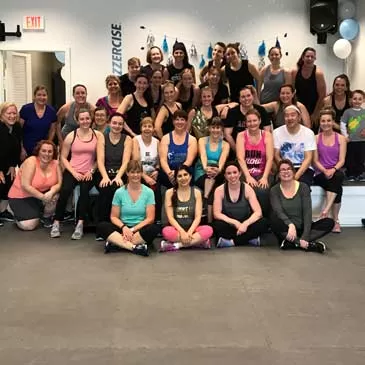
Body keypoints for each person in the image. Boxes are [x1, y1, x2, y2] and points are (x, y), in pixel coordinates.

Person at [50, 109, 103, 240]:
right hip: (73, 170)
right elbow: (63, 157)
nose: (85, 121)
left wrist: (91, 170)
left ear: (91, 119)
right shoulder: (71, 136)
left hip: (89, 172)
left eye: (87, 118)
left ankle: (80, 224)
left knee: (85, 191)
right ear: (77, 120)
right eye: (82, 119)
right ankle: (56, 222)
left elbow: (100, 158)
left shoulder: (98, 135)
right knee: (65, 190)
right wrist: (73, 172)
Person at [96, 160, 160, 257]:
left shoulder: (149, 192)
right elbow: (113, 217)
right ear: (127, 173)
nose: (135, 175)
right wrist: (124, 228)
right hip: (123, 227)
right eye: (132, 172)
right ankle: (135, 247)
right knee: (102, 226)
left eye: (138, 172)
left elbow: (150, 219)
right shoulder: (119, 192)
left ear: (141, 173)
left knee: (154, 228)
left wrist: (132, 230)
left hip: (139, 228)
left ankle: (118, 243)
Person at [270, 159, 334, 253]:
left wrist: (304, 236)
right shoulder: (274, 190)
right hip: (287, 229)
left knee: (329, 222)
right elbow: (278, 211)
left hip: (302, 227)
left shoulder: (303, 187)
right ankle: (306, 245)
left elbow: (307, 213)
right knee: (273, 218)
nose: (286, 172)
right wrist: (290, 225)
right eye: (282, 170)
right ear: (278, 174)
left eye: (288, 169)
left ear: (293, 171)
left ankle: (292, 243)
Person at [8, 140, 62, 230]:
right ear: (38, 151)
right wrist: (43, 197)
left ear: (53, 153)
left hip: (40, 196)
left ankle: (45, 217)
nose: (47, 154)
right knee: (29, 226)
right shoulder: (31, 161)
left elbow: (59, 183)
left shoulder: (56, 163)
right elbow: (25, 186)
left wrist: (52, 191)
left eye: (50, 151)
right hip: (21, 196)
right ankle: (13, 211)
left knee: (55, 195)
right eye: (43, 151)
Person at [212, 161, 268, 248]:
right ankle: (249, 239)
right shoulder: (219, 190)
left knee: (264, 222)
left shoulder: (248, 189)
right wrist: (234, 222)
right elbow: (216, 214)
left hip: (246, 223)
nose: (232, 176)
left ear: (240, 173)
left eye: (235, 172)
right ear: (225, 176)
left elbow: (258, 212)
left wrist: (245, 224)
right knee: (217, 225)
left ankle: (232, 242)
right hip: (230, 224)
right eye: (229, 173)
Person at [160, 165, 213, 252]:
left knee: (208, 230)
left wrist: (189, 233)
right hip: (176, 229)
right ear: (176, 178)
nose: (183, 178)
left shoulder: (196, 192)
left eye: (185, 174)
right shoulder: (169, 193)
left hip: (193, 229)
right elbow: (170, 218)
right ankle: (198, 243)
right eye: (179, 176)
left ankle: (176, 245)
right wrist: (182, 232)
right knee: (166, 231)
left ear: (190, 176)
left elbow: (197, 217)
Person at [313, 108, 347, 233]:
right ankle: (335, 220)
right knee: (337, 185)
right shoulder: (316, 138)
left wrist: (332, 169)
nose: (326, 123)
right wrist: (325, 170)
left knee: (337, 177)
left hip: (335, 170)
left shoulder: (341, 139)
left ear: (333, 122)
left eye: (328, 120)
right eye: (323, 121)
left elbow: (342, 160)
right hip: (320, 173)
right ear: (320, 122)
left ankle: (326, 211)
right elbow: (314, 161)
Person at [236, 109, 274, 216]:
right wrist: (248, 176)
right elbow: (240, 158)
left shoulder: (267, 135)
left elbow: (270, 158)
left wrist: (265, 177)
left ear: (260, 121)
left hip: (263, 172)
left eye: (254, 120)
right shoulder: (241, 135)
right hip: (246, 172)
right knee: (248, 188)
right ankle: (249, 218)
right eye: (249, 121)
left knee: (262, 191)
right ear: (245, 123)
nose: (252, 124)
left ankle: (264, 218)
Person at [96, 113, 132, 223]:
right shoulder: (102, 138)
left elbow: (126, 161)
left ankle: (119, 223)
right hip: (103, 174)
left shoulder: (127, 139)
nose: (117, 126)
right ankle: (104, 225)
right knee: (106, 189)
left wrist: (118, 177)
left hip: (121, 174)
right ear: (109, 124)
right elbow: (100, 161)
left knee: (117, 189)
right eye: (114, 123)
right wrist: (105, 177)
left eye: (120, 124)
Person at [194, 117, 229, 222]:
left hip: (217, 173)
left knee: (214, 178)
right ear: (209, 128)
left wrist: (218, 170)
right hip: (202, 172)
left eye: (218, 127)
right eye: (213, 127)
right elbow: (203, 155)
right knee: (210, 179)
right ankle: (210, 220)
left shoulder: (225, 144)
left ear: (221, 129)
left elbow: (222, 161)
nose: (215, 130)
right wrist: (206, 167)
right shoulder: (202, 140)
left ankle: (205, 199)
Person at [273, 105, 316, 186]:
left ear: (299, 117)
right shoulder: (277, 132)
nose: (290, 118)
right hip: (284, 168)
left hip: (303, 168)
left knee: (303, 186)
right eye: (287, 116)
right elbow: (276, 155)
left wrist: (295, 176)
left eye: (293, 115)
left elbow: (308, 158)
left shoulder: (308, 133)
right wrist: (286, 170)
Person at [223, 86, 271, 153]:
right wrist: (238, 151)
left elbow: (267, 132)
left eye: (248, 95)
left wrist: (262, 149)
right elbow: (227, 134)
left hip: (259, 149)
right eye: (243, 97)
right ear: (239, 99)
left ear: (253, 96)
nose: (246, 99)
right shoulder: (232, 112)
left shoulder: (261, 110)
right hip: (238, 149)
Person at [159, 110, 198, 189]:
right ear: (173, 121)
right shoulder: (165, 138)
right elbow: (163, 160)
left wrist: (178, 173)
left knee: (184, 178)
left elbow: (189, 161)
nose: (179, 122)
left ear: (186, 122)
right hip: (169, 173)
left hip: (185, 173)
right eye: (177, 119)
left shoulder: (192, 139)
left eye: (182, 120)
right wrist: (170, 173)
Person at [19, 85, 57, 157]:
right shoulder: (26, 109)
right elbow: (18, 130)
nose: (42, 97)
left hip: (42, 150)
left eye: (44, 95)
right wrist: (21, 148)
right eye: (39, 95)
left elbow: (52, 130)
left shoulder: (51, 111)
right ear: (34, 96)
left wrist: (48, 146)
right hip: (26, 149)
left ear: (47, 97)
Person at [0, 102, 22, 224]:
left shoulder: (17, 127)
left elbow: (17, 147)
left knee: (9, 183)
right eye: (9, 113)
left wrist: (13, 165)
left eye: (14, 113)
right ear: (2, 115)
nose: (12, 116)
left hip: (8, 163)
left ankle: (2, 211)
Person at [292, 47, 326, 127]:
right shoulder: (295, 71)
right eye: (307, 56)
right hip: (299, 105)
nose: (309, 59)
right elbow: (292, 92)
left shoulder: (318, 73)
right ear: (303, 57)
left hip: (314, 106)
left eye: (312, 57)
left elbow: (322, 95)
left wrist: (315, 114)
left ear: (315, 58)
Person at [116, 73, 153, 137]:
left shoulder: (148, 99)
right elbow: (118, 116)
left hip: (143, 137)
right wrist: (132, 133)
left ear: (147, 85)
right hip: (131, 137)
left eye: (144, 83)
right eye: (139, 82)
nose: (142, 85)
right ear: (135, 83)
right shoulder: (129, 98)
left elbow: (151, 119)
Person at [341, 89, 365, 181]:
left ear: (363, 100)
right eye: (355, 99)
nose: (357, 101)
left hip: (362, 140)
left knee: (361, 157)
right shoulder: (348, 112)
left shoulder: (364, 112)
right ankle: (350, 173)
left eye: (360, 99)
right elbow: (342, 124)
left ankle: (360, 174)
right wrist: (345, 136)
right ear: (351, 100)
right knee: (351, 157)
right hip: (351, 140)